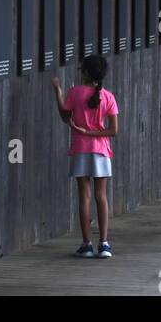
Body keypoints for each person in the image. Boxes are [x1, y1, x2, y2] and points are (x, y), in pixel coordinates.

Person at [51, 55, 120, 259]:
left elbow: (65, 117)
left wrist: (58, 92)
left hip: (81, 149)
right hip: (101, 151)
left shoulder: (75, 93)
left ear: (87, 73)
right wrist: (93, 133)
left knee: (85, 196)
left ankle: (87, 244)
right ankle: (105, 244)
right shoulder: (108, 96)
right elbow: (113, 130)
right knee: (102, 196)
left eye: (82, 70)